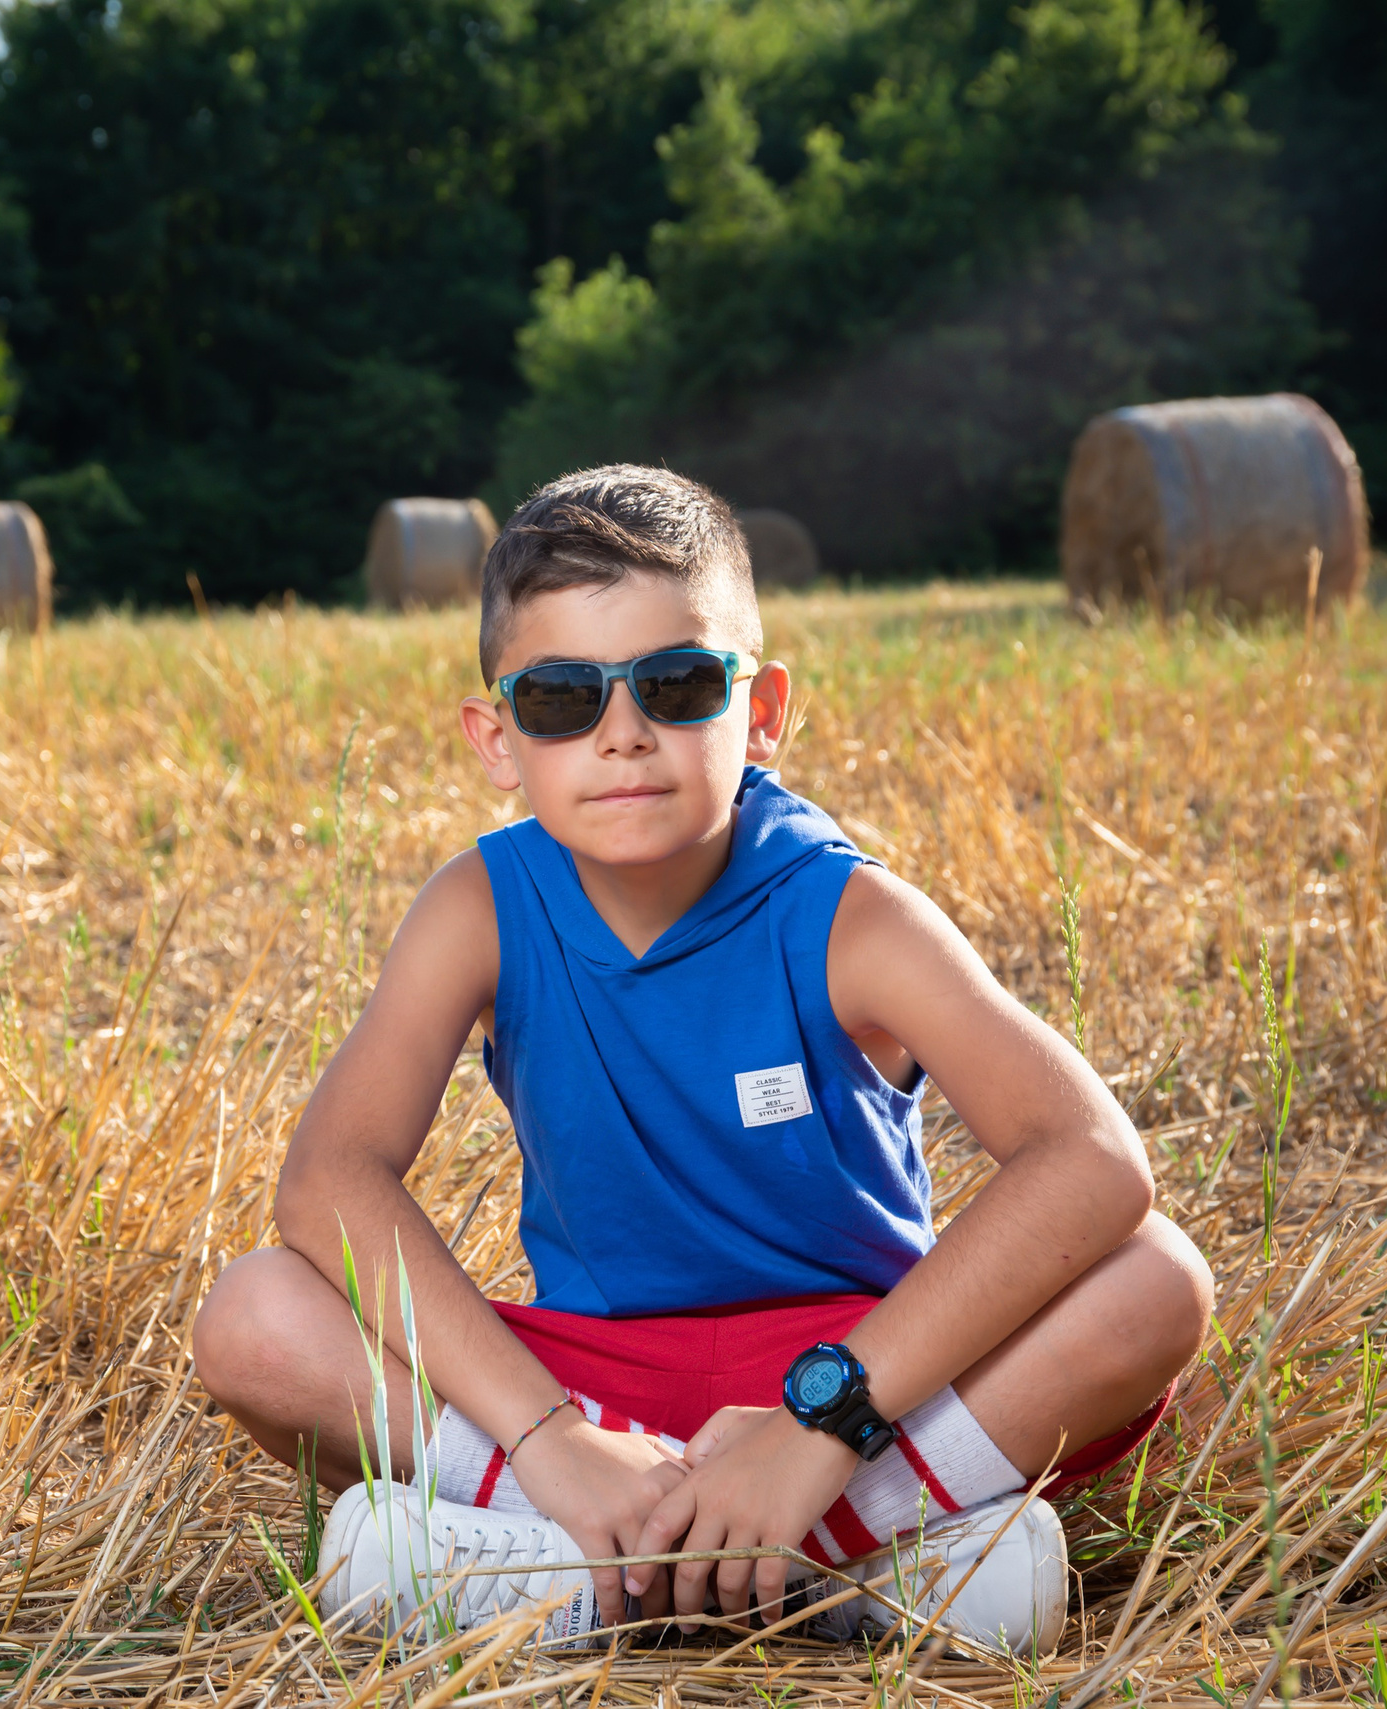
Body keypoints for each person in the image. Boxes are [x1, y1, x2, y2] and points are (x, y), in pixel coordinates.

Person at [191, 465, 1212, 1654]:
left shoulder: (848, 915)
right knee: (255, 1314)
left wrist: (820, 1425)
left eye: (676, 684)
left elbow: (1090, 1161)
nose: (621, 732)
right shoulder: (478, 904)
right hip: (591, 1389)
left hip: (859, 1376)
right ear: (497, 739)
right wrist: (551, 1437)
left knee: (1157, 1278)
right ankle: (860, 1569)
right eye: (561, 697)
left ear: (763, 707)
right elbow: (330, 1181)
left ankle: (627, 1566)